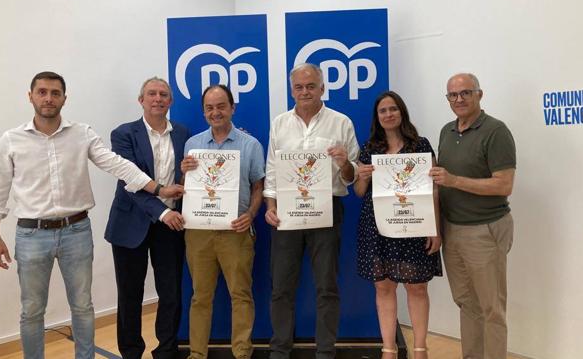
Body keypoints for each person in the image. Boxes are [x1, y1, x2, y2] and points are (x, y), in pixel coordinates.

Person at [0, 71, 184, 359]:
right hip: (31, 234)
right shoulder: (11, 140)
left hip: (76, 231)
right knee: (31, 310)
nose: (48, 98)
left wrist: (159, 188)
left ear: (65, 98)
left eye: (55, 93)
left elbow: (119, 166)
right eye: (42, 92)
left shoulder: (82, 134)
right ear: (31, 96)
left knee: (83, 306)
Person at [264, 63, 360, 359]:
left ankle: (325, 352)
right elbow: (271, 171)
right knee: (281, 286)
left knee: (327, 286)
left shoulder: (341, 122)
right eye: (299, 87)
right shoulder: (280, 123)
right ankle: (280, 349)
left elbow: (352, 176)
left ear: (322, 88)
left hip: (327, 211)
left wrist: (344, 162)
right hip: (286, 213)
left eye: (311, 86)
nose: (304, 92)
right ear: (292, 90)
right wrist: (270, 206)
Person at [429, 73, 516, 359]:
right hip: (452, 230)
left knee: (491, 308)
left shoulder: (496, 131)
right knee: (467, 303)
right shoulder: (446, 131)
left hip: (484, 229)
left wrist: (455, 181)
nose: (459, 99)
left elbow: (504, 184)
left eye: (466, 93)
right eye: (453, 95)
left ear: (480, 94)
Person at [104, 77, 191, 359]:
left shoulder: (183, 134)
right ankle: (131, 353)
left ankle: (166, 350)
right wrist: (162, 210)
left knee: (171, 292)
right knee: (130, 295)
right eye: (151, 94)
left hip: (171, 226)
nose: (157, 98)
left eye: (163, 94)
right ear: (141, 100)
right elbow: (130, 183)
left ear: (171, 101)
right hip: (131, 224)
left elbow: (186, 178)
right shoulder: (123, 134)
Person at [354, 91, 442, 359]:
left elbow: (434, 190)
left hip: (415, 225)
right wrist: (363, 176)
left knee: (417, 287)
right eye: (383, 111)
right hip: (378, 226)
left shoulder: (421, 145)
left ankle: (420, 348)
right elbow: (359, 192)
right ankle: (388, 349)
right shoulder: (369, 149)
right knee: (384, 286)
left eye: (393, 109)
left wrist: (435, 228)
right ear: (377, 117)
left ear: (401, 112)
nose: (389, 114)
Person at [180, 84, 265, 359]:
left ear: (232, 108)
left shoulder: (250, 145)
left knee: (240, 295)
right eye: (209, 107)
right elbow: (187, 189)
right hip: (199, 233)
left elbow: (258, 187)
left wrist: (250, 215)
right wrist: (183, 174)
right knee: (199, 297)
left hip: (235, 232)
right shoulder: (192, 145)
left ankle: (242, 353)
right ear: (204, 111)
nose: (215, 112)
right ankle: (197, 354)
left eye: (221, 106)